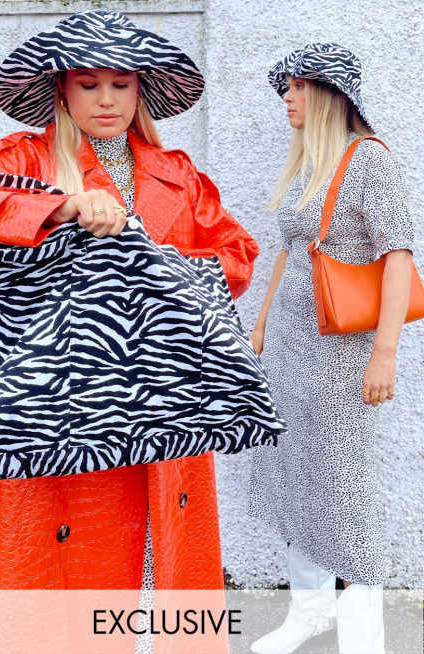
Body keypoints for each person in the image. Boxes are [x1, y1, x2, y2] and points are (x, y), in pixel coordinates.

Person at [0, 9, 261, 649]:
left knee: (160, 562)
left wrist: (157, 276)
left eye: (121, 84)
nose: (106, 100)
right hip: (53, 405)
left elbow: (235, 252)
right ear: (61, 89)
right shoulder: (26, 157)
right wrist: (60, 207)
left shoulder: (176, 172)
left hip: (166, 398)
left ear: (141, 90)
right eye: (89, 84)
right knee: (52, 575)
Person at [247, 43, 415, 654]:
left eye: (297, 86)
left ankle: (365, 637)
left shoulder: (369, 160)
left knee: (341, 488)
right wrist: (260, 328)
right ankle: (310, 612)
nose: (286, 97)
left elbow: (398, 257)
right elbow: (290, 253)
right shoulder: (308, 162)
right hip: (289, 349)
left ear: (329, 93)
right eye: (285, 87)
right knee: (297, 477)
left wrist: (385, 353)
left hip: (341, 355)